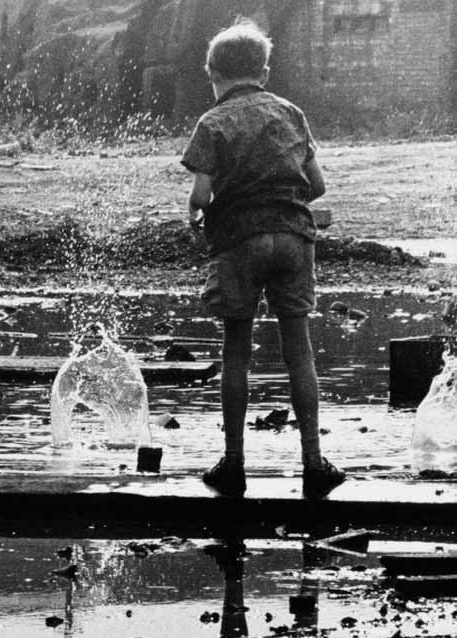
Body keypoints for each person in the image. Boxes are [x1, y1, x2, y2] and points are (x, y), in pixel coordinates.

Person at [181, 19, 345, 500]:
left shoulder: (212, 123)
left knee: (236, 351)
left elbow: (200, 194)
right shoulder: (291, 113)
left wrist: (196, 214)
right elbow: (317, 186)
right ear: (265, 73)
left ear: (212, 72)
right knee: (299, 350)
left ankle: (234, 463)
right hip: (294, 239)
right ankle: (314, 462)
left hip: (239, 243)